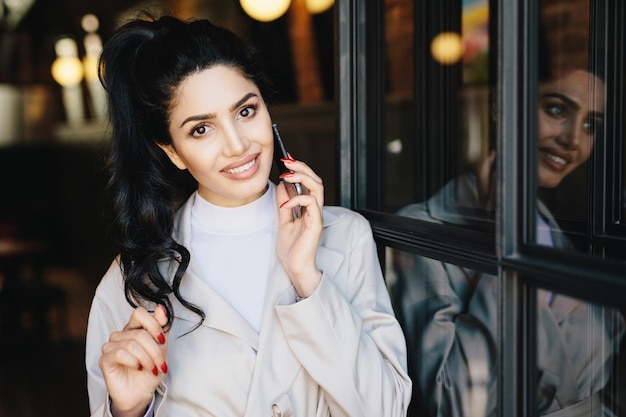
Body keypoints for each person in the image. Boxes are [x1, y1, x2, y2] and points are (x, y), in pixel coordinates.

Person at [85, 15, 412, 417]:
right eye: (201, 129)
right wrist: (128, 411)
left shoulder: (345, 236)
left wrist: (308, 281)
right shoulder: (132, 281)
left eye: (245, 111)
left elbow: (387, 409)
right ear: (172, 151)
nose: (238, 145)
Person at [390, 65, 624, 417]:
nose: (574, 139)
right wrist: (505, 248)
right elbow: (453, 402)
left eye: (591, 125)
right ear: (502, 104)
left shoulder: (554, 233)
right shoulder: (421, 230)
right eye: (557, 110)